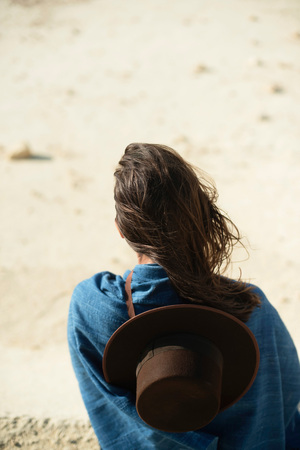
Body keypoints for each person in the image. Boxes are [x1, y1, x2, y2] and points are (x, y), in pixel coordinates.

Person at [68, 143, 300, 449]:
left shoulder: (91, 305)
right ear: (201, 218)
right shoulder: (251, 307)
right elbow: (285, 394)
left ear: (121, 229)